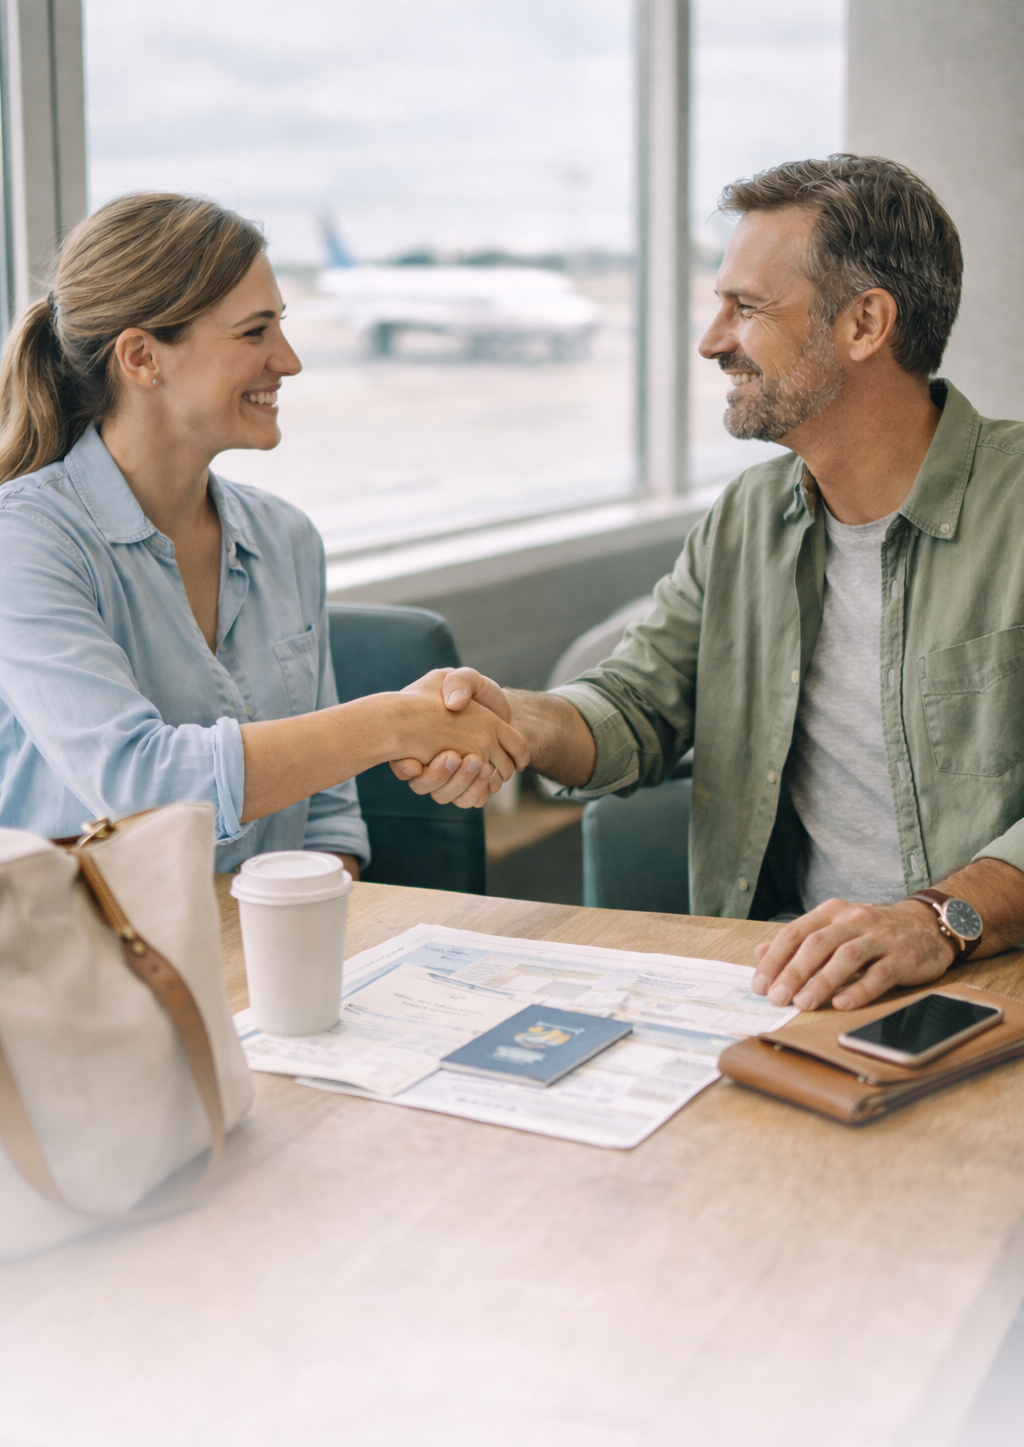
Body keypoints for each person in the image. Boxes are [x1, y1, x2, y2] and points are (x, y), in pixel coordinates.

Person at [394, 154, 1024, 1013]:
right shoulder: (748, 518)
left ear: (866, 324)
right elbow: (637, 702)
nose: (712, 339)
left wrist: (935, 920)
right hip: (796, 983)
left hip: (990, 979)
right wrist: (519, 719)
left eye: (747, 307)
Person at [0, 194, 525, 874]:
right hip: (86, 965)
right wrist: (395, 721)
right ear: (142, 359)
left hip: (262, 954)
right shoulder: (27, 542)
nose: (290, 360)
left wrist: (298, 934)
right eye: (254, 333)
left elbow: (329, 814)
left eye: (281, 325)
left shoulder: (286, 538)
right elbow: (140, 786)